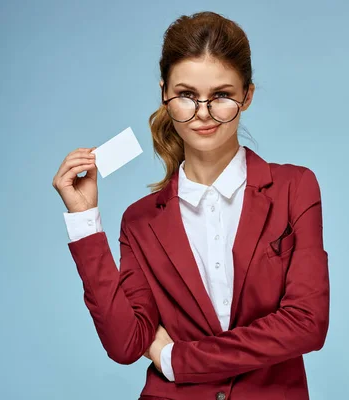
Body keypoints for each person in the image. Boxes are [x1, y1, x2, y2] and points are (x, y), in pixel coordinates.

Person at [52, 11, 329, 400]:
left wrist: (177, 360)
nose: (203, 113)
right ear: (165, 95)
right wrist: (84, 220)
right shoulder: (140, 220)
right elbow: (126, 343)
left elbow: (307, 324)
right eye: (186, 95)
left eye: (221, 96)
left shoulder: (294, 188)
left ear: (247, 96)